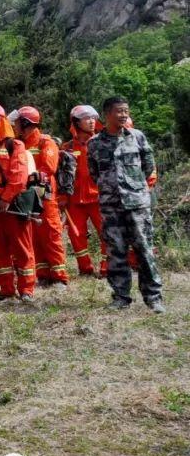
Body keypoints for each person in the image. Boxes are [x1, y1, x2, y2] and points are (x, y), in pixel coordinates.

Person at [87, 97, 164, 313]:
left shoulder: (137, 137)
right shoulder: (94, 143)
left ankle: (153, 297)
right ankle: (120, 297)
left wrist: (134, 187)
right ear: (107, 115)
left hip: (137, 205)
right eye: (119, 111)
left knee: (144, 250)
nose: (123, 115)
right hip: (111, 206)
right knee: (116, 252)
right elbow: (94, 173)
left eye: (126, 111)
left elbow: (148, 166)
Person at [0, 103, 37, 301]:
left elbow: (19, 177)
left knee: (21, 247)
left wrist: (5, 199)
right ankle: (6, 288)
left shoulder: (14, 145)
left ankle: (27, 289)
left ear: (2, 121)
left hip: (12, 204)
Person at [17, 106, 69, 288]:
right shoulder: (19, 144)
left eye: (17, 122)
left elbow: (48, 169)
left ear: (25, 123)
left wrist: (30, 178)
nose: (15, 126)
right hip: (28, 196)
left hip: (44, 196)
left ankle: (59, 276)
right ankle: (43, 274)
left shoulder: (45, 143)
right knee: (34, 237)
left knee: (51, 235)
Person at [62, 105, 107, 277]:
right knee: (76, 236)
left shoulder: (102, 143)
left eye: (93, 118)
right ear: (76, 122)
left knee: (106, 233)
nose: (91, 121)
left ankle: (107, 268)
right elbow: (60, 176)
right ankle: (85, 269)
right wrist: (61, 197)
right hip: (74, 200)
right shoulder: (67, 148)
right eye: (86, 118)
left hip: (99, 198)